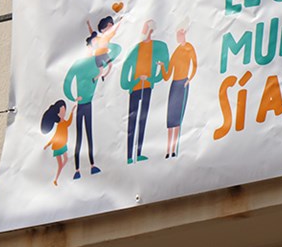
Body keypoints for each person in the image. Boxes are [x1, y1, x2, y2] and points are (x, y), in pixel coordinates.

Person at [62, 37, 121, 179]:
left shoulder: (97, 60)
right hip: (81, 104)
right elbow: (67, 82)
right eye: (90, 46)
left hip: (89, 104)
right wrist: (73, 97)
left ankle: (92, 165)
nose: (92, 49)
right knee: (79, 137)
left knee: (89, 134)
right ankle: (77, 169)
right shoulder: (78, 63)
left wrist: (103, 42)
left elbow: (117, 50)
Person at [120, 20, 169, 164]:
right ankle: (129, 156)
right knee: (132, 121)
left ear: (151, 31)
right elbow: (126, 67)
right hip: (135, 89)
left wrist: (152, 79)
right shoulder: (136, 48)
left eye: (146, 28)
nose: (143, 30)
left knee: (143, 119)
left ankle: (139, 153)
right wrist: (132, 82)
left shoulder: (157, 47)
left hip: (147, 87)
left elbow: (164, 67)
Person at [159, 28, 197, 158]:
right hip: (174, 85)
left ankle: (174, 149)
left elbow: (195, 65)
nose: (178, 38)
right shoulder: (176, 52)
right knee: (170, 119)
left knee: (177, 119)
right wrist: (162, 66)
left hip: (183, 84)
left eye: (179, 35)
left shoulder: (189, 48)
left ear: (184, 35)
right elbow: (167, 75)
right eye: (177, 36)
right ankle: (168, 150)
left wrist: (189, 79)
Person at [41, 100, 76, 186]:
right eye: (62, 111)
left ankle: (57, 177)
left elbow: (69, 122)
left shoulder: (64, 123)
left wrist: (72, 112)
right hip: (57, 147)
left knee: (66, 160)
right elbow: (55, 137)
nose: (64, 113)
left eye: (64, 111)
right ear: (58, 113)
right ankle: (56, 179)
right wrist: (47, 145)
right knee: (61, 163)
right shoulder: (59, 125)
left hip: (63, 145)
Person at [87, 15, 123, 81]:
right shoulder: (99, 38)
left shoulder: (107, 37)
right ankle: (96, 78)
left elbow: (115, 29)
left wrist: (120, 21)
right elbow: (92, 33)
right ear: (103, 29)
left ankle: (102, 76)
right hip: (100, 55)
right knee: (102, 70)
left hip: (102, 55)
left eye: (111, 25)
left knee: (109, 66)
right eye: (109, 25)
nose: (111, 27)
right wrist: (89, 25)